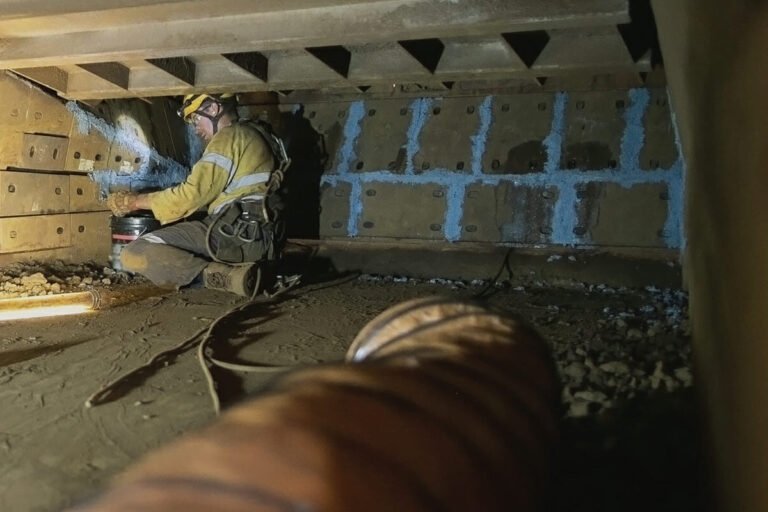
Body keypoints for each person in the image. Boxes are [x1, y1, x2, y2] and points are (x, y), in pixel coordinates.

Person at [106, 93, 289, 297]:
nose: (195, 128)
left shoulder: (228, 137)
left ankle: (219, 277)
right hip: (262, 238)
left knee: (134, 252)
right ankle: (246, 272)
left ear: (213, 109)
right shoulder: (257, 136)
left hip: (235, 234)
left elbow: (191, 195)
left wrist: (133, 202)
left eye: (195, 118)